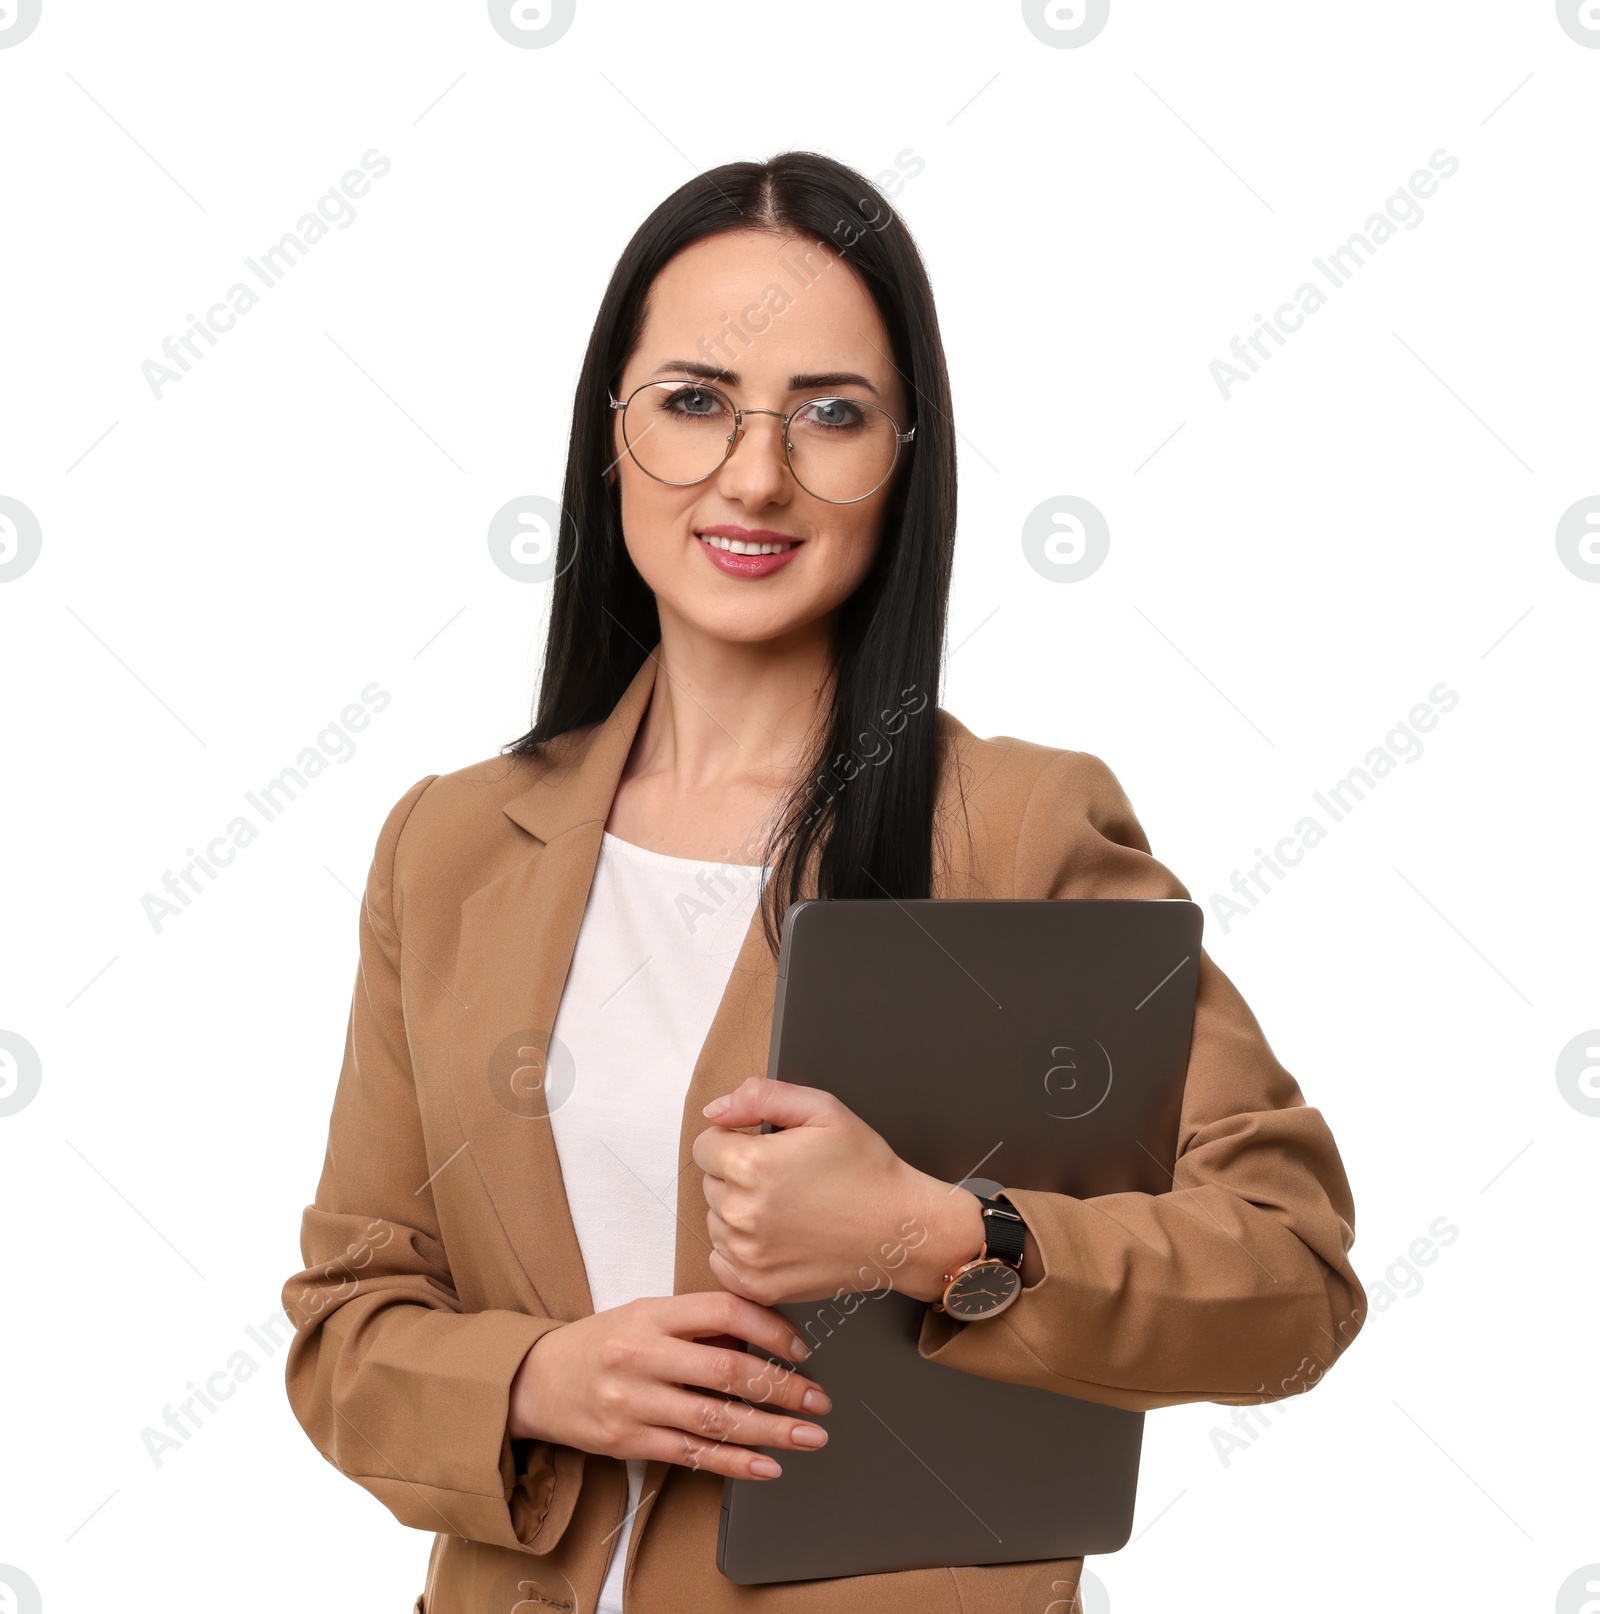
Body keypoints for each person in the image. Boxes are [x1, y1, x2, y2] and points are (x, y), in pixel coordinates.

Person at [281, 150, 1364, 1614]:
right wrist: (540, 1376)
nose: (755, 473)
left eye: (831, 415)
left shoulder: (1023, 828)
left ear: (906, 453)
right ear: (611, 439)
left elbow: (1292, 1282)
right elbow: (349, 1319)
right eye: (695, 402)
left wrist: (936, 1233)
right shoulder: (453, 843)